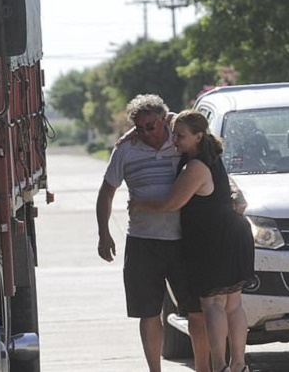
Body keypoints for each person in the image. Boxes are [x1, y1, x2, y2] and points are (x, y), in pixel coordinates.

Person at [130, 109, 255, 372]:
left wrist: (140, 204)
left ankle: (220, 364)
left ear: (198, 136)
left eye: (181, 136)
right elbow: (173, 115)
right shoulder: (211, 156)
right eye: (174, 134)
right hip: (232, 235)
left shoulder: (195, 166)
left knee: (213, 305)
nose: (175, 140)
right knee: (233, 304)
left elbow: (171, 203)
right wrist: (131, 133)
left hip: (213, 241)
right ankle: (239, 365)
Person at [96, 94, 210, 372]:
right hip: (143, 243)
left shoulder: (179, 139)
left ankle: (204, 368)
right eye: (140, 127)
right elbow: (106, 192)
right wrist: (104, 233)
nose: (147, 133)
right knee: (148, 312)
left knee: (196, 311)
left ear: (164, 120)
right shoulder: (126, 150)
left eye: (152, 125)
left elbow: (196, 127)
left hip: (184, 241)